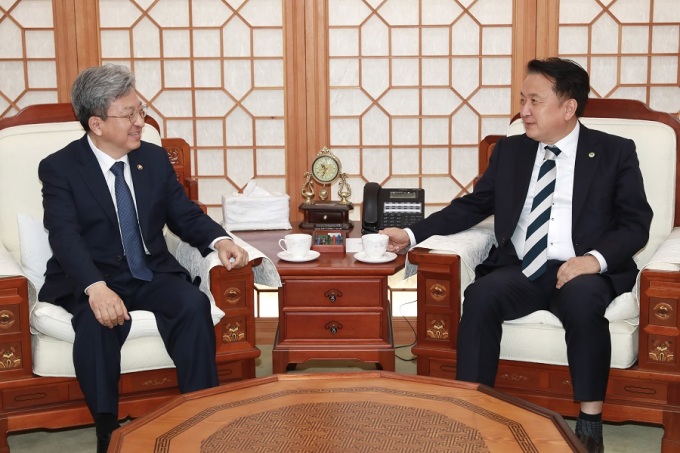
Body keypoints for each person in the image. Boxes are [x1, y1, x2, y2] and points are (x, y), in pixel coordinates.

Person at [382, 57, 652, 453]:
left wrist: (594, 260)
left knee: (583, 303)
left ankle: (590, 424)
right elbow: (474, 206)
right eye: (523, 100)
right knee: (481, 296)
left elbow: (636, 222)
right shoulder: (511, 151)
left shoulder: (613, 151)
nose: (524, 111)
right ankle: (471, 410)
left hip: (581, 268)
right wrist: (410, 233)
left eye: (534, 101)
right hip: (523, 268)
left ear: (568, 107)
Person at [38, 64, 250, 453]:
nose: (141, 122)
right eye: (129, 114)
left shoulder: (152, 159)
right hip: (93, 275)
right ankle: (107, 429)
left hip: (149, 271)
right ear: (97, 124)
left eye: (141, 110)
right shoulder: (60, 168)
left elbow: (183, 215)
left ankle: (201, 412)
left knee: (192, 304)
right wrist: (95, 288)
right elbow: (64, 236)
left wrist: (220, 240)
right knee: (98, 323)